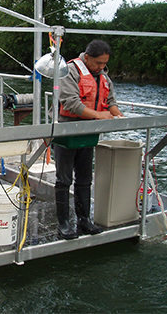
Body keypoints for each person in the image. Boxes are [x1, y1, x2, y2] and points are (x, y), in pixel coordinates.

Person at [54, 39, 124, 239]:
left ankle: (84, 221)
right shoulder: (69, 71)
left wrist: (117, 115)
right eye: (98, 63)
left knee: (85, 178)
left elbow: (110, 100)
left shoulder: (102, 75)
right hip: (68, 131)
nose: (102, 67)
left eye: (104, 64)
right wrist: (98, 115)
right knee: (63, 178)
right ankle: (63, 224)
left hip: (88, 132)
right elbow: (72, 103)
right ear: (87, 58)